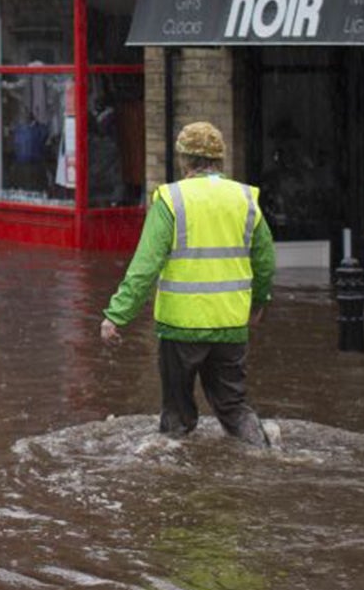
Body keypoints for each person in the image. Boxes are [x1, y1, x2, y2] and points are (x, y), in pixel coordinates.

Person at [99, 121, 274, 444]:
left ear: (184, 159)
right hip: (231, 324)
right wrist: (258, 304)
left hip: (180, 327)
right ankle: (265, 452)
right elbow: (265, 261)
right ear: (219, 160)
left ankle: (174, 480)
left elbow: (145, 265)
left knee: (177, 418)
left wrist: (117, 314)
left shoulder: (171, 199)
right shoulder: (245, 199)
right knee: (234, 408)